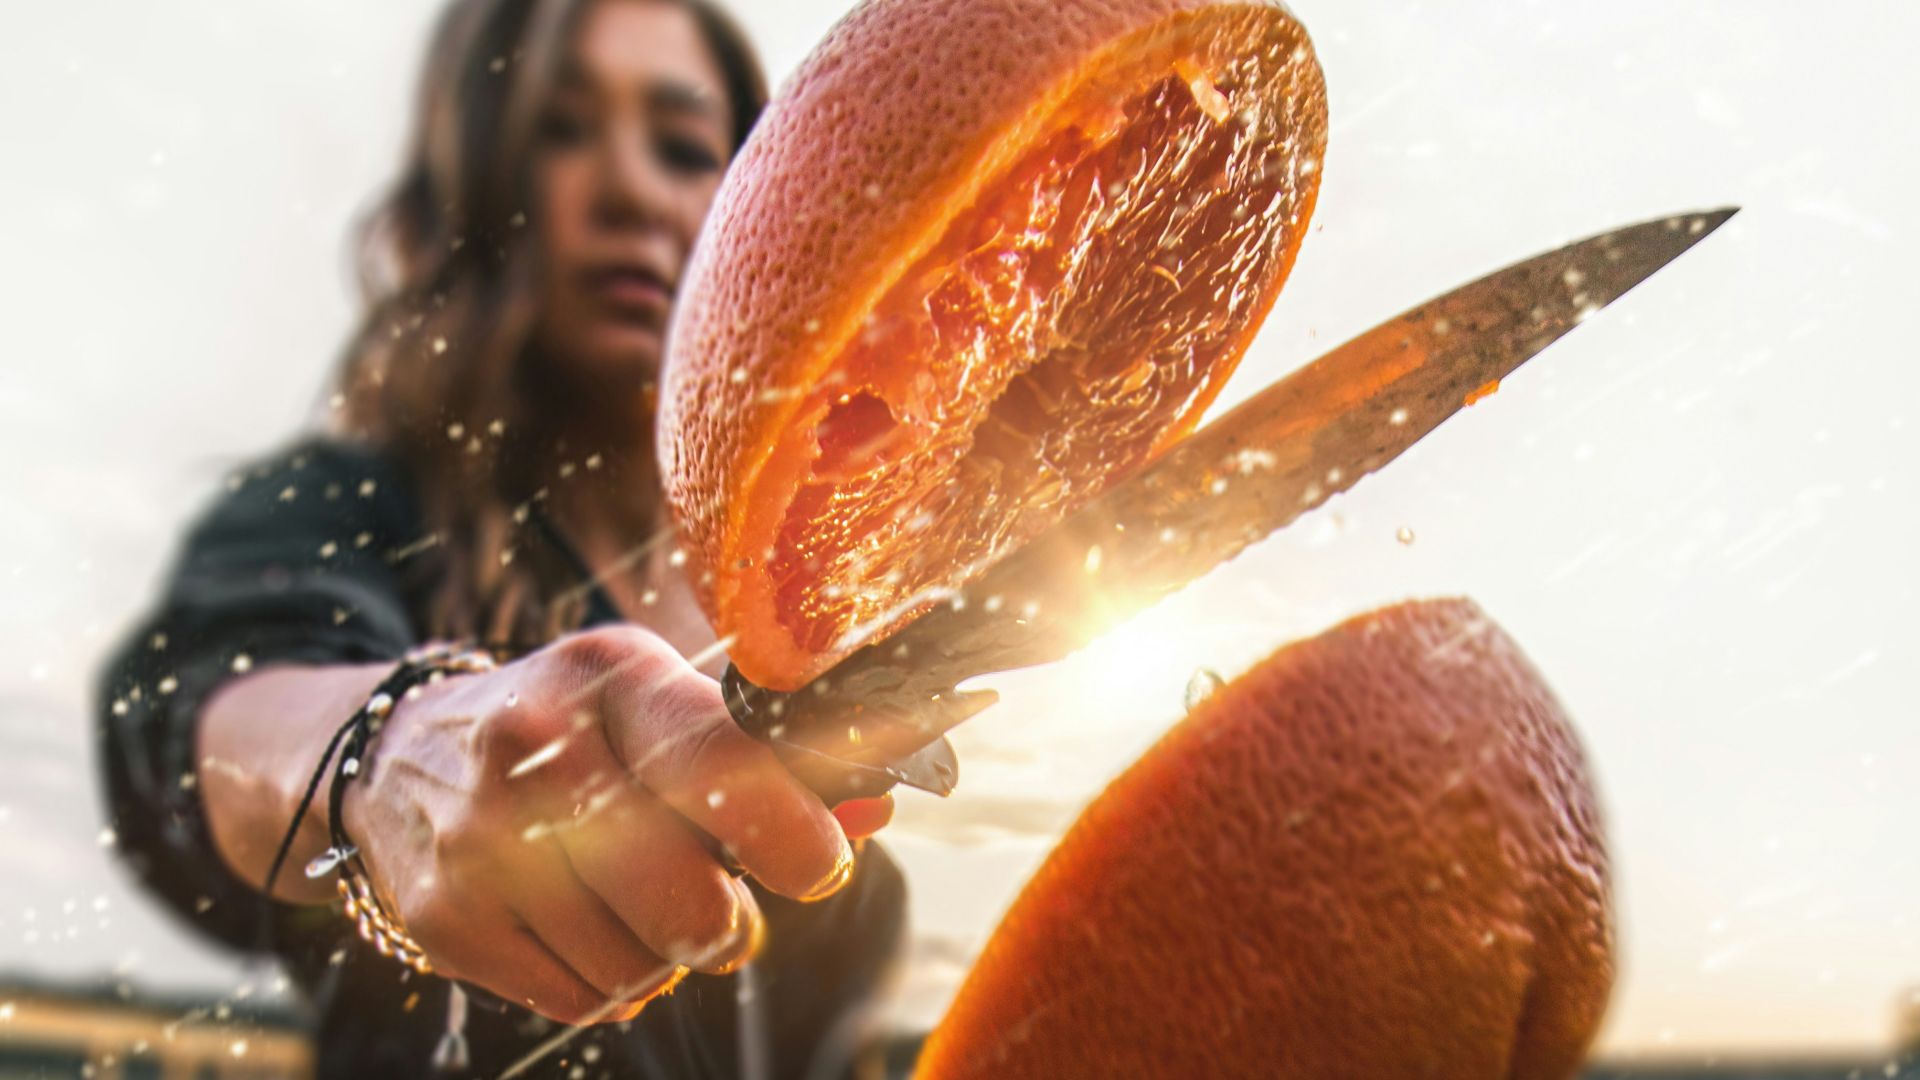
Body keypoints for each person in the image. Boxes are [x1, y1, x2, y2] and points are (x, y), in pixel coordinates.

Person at [95, 1, 907, 1076]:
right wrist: (385, 752)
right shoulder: (353, 505)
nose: (628, 188)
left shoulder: (812, 619)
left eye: (680, 144)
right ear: (477, 192)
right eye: (560, 130)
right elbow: (203, 706)